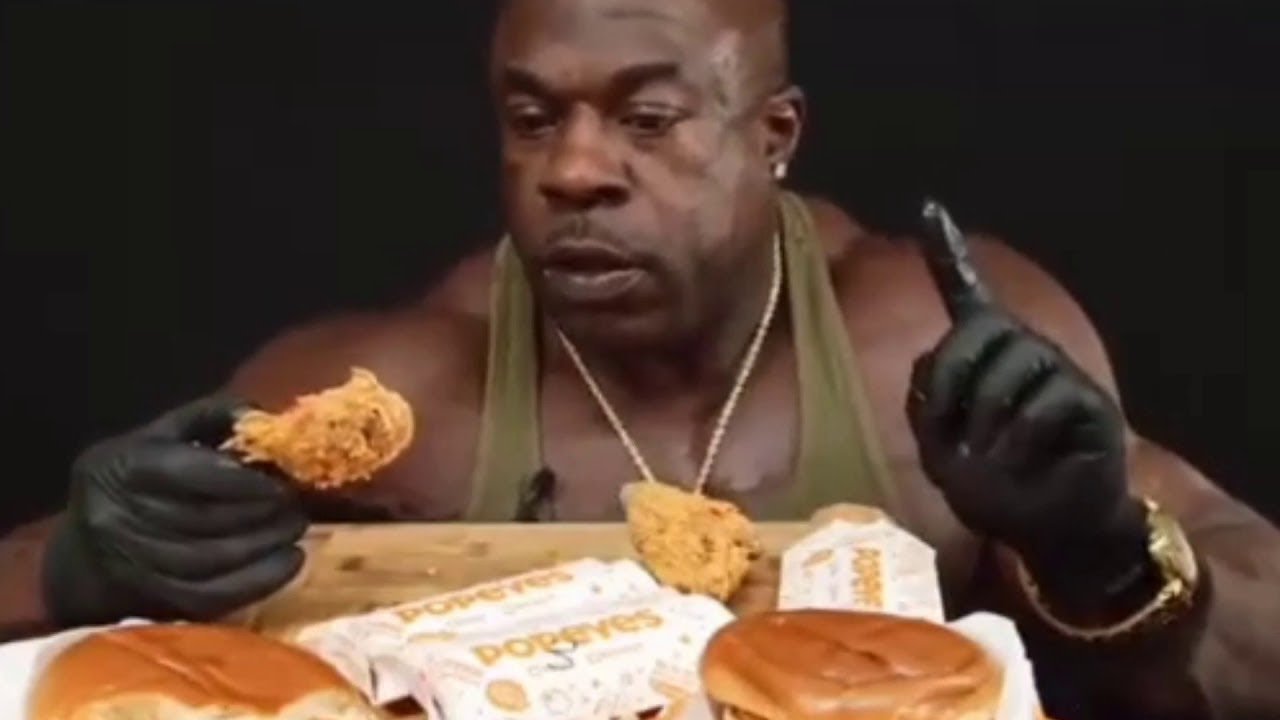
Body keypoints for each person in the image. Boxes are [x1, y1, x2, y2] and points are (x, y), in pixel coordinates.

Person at [1, 0, 1274, 717]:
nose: (571, 170)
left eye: (647, 119)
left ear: (773, 134)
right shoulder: (405, 384)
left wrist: (1100, 552)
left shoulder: (921, 340)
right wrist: (72, 574)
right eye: (531, 118)